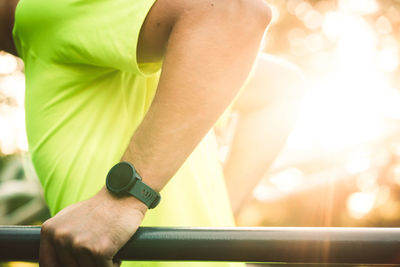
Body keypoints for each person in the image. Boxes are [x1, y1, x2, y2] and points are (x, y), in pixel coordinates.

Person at [1, 0, 303, 266]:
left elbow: (236, 11)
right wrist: (217, 220)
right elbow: (280, 88)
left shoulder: (46, 10)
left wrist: (121, 201)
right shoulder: (162, 54)